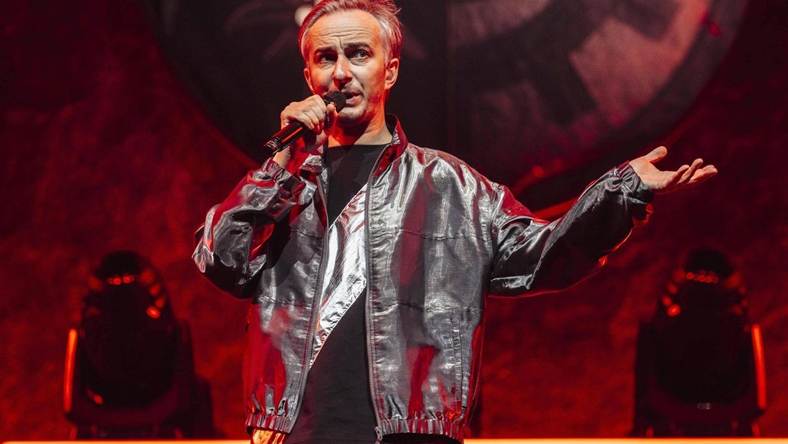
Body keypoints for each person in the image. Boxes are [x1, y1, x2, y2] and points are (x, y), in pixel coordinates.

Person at [192, 1, 717, 443]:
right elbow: (219, 258)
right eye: (325, 58)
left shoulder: (452, 187)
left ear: (390, 71)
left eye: (359, 54)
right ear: (308, 76)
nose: (341, 72)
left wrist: (622, 190)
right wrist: (279, 165)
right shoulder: (286, 187)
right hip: (294, 433)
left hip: (412, 431)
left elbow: (546, 256)